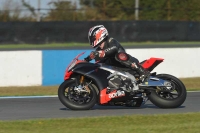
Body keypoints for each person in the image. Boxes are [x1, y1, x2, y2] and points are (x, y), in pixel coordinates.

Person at [84, 25, 149, 83]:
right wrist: (86, 60)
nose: (91, 40)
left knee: (119, 56)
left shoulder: (111, 40)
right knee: (98, 64)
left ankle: (142, 71)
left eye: (93, 38)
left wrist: (103, 53)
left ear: (100, 34)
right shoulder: (98, 50)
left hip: (126, 64)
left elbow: (114, 48)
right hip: (115, 69)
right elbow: (93, 57)